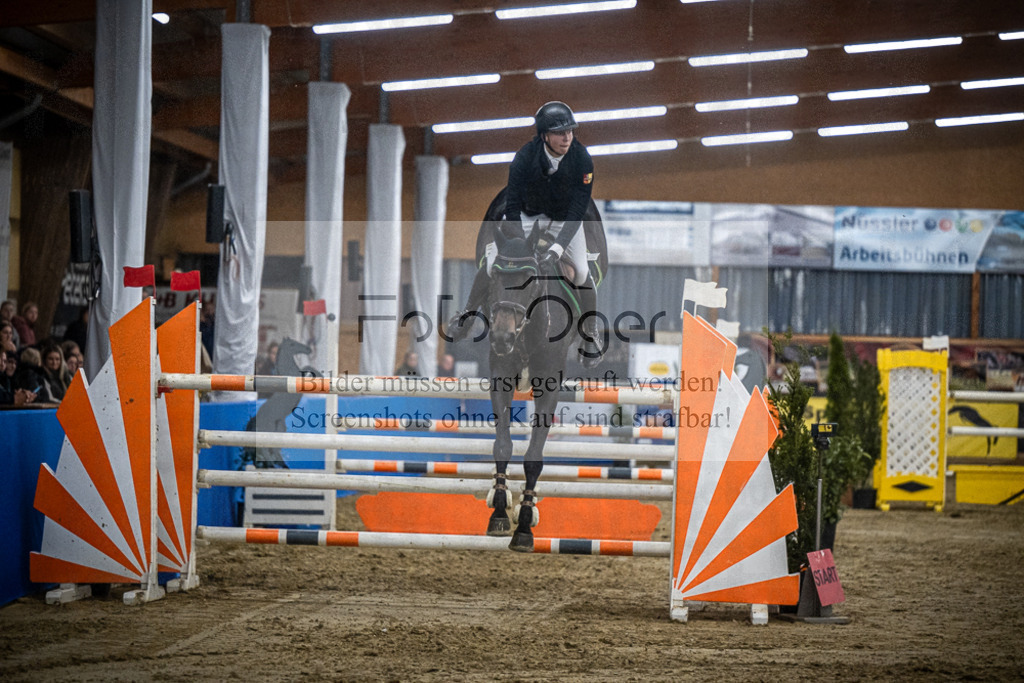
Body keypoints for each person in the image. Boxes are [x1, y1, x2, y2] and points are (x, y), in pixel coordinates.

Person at [447, 101, 602, 367]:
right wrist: (518, 243)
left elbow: (578, 209)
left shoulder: (582, 160)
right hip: (526, 217)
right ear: (544, 135)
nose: (567, 137)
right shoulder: (524, 157)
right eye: (560, 132)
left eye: (570, 131)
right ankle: (467, 316)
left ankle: (591, 333)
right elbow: (512, 203)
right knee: (492, 263)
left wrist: (556, 249)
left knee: (581, 270)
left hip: (565, 220)